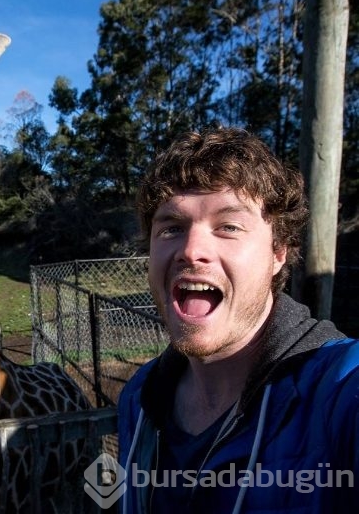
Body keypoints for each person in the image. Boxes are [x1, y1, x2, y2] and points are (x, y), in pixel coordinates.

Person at [117, 128, 359, 513]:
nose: (192, 250)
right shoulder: (140, 398)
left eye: (228, 226)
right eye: (171, 228)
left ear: (278, 252)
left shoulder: (338, 392)